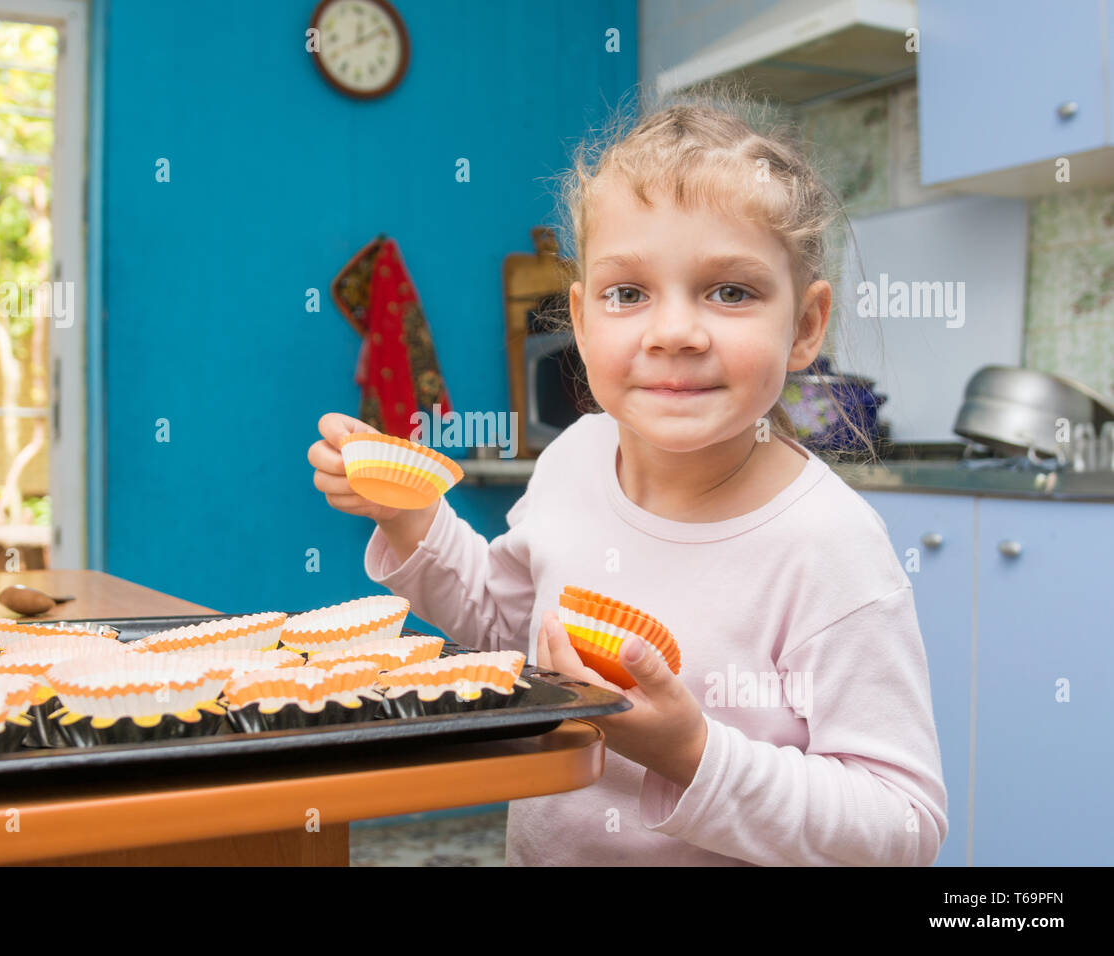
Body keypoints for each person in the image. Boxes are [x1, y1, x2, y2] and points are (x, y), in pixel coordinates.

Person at [308, 86, 948, 866]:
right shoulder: (575, 457)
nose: (674, 331)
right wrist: (408, 516)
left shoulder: (830, 546)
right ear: (580, 320)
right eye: (628, 293)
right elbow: (508, 633)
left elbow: (902, 829)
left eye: (731, 291)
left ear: (807, 325)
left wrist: (692, 753)